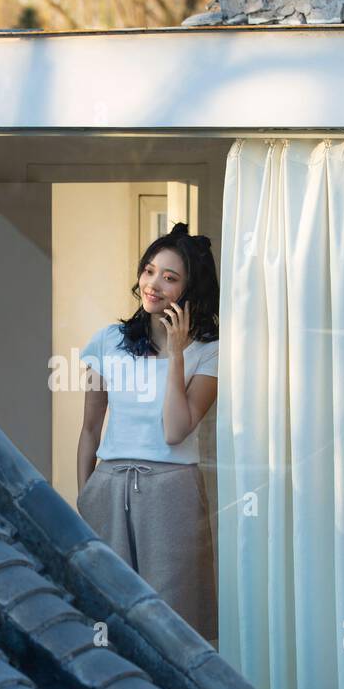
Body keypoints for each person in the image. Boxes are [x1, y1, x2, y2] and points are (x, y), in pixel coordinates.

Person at [76, 221, 220, 643]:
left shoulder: (209, 352)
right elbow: (89, 429)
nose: (153, 283)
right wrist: (85, 496)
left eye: (170, 277)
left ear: (190, 292)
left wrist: (176, 354)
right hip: (109, 485)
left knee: (173, 625)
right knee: (107, 617)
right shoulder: (108, 340)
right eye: (149, 270)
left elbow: (176, 430)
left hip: (171, 490)